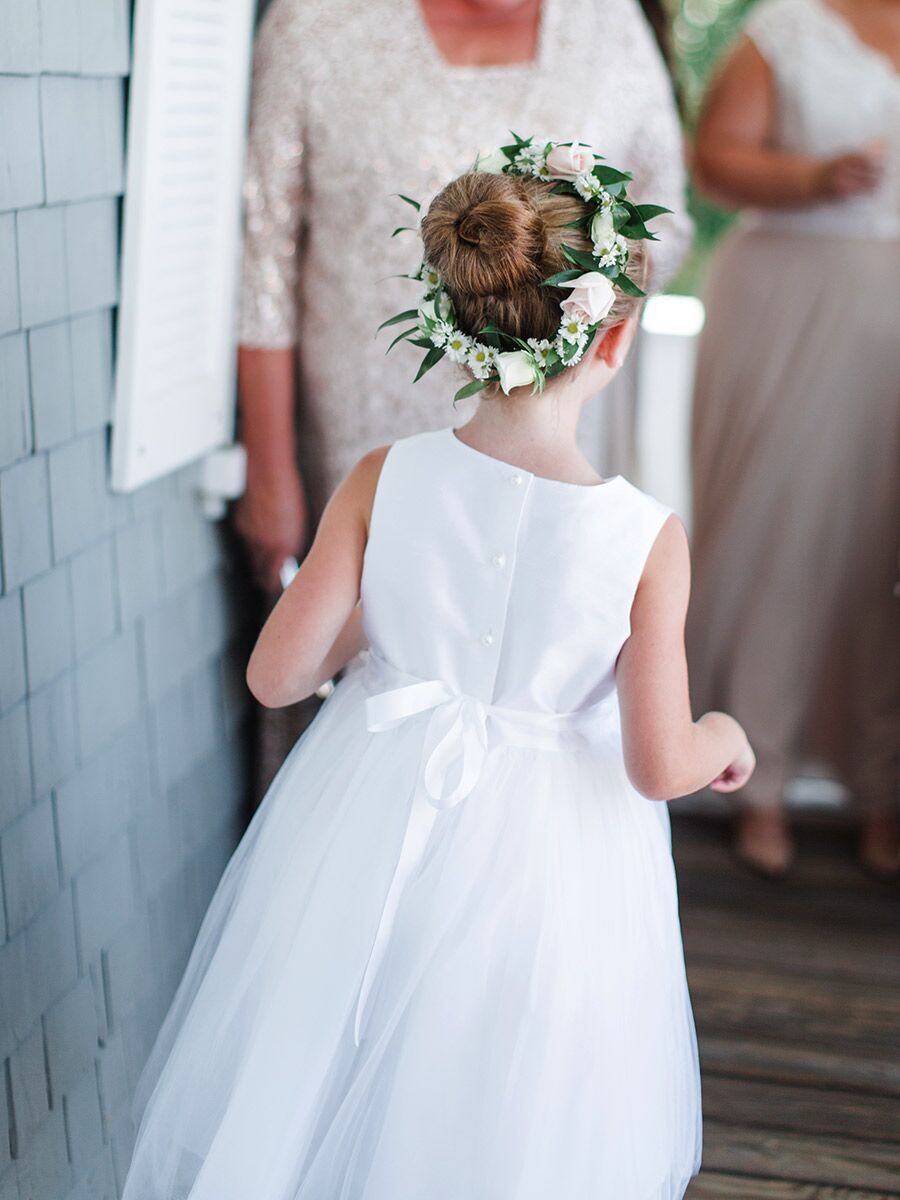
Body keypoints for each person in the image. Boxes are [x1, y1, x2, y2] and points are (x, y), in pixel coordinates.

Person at [122, 140, 751, 1199]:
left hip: (368, 819)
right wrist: (726, 741)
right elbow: (658, 763)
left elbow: (278, 678)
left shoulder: (383, 477)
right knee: (507, 1091)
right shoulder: (643, 538)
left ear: (449, 324)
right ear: (615, 335)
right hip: (552, 868)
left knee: (339, 1051)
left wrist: (392, 612)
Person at [235, 0, 692, 791]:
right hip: (347, 415)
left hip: (548, 443)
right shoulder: (316, 24)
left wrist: (577, 294)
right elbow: (263, 257)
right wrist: (267, 466)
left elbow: (669, 217)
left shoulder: (607, 27)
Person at [686, 0, 900, 877]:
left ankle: (880, 784)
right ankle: (752, 775)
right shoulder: (785, 31)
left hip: (891, 310)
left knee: (878, 553)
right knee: (778, 534)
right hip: (792, 294)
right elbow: (712, 163)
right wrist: (814, 179)